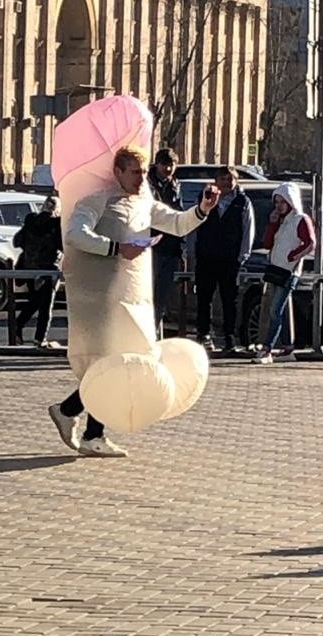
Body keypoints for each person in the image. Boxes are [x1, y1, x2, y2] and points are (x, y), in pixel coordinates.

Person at [49, 146, 218, 458]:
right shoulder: (97, 200)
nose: (142, 178)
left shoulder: (144, 202)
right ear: (117, 173)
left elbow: (177, 224)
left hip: (134, 296)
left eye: (143, 172)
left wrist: (202, 210)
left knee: (121, 361)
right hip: (102, 297)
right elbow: (75, 234)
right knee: (110, 362)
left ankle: (71, 413)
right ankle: (88, 430)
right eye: (135, 172)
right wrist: (115, 248)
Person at [188, 165, 255, 353]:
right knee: (204, 298)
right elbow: (194, 225)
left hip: (230, 258)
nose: (226, 183)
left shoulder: (243, 202)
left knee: (229, 300)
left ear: (236, 182)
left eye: (230, 179)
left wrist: (242, 255)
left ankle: (229, 339)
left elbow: (248, 228)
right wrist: (191, 251)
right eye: (222, 179)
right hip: (206, 256)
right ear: (215, 182)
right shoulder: (205, 198)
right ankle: (204, 335)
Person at [252, 182, 316, 364]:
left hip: (289, 272)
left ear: (291, 201)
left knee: (275, 310)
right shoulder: (280, 222)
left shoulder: (301, 219)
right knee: (280, 310)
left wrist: (292, 256)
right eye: (276, 202)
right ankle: (288, 347)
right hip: (275, 269)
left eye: (282, 201)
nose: (279, 206)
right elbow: (267, 244)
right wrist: (272, 224)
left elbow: (310, 243)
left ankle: (267, 349)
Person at [13, 195, 62, 348]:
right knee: (46, 305)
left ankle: (17, 326)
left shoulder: (31, 221)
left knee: (36, 301)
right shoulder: (56, 224)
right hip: (48, 269)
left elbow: (17, 241)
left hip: (29, 267)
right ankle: (40, 338)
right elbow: (62, 246)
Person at [145, 147, 184, 335]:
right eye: (165, 165)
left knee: (161, 296)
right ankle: (144, 332)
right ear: (157, 164)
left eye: (172, 165)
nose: (168, 169)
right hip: (150, 245)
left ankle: (153, 333)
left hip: (170, 246)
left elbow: (179, 215)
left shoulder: (176, 185)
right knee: (146, 294)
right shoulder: (147, 184)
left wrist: (181, 246)